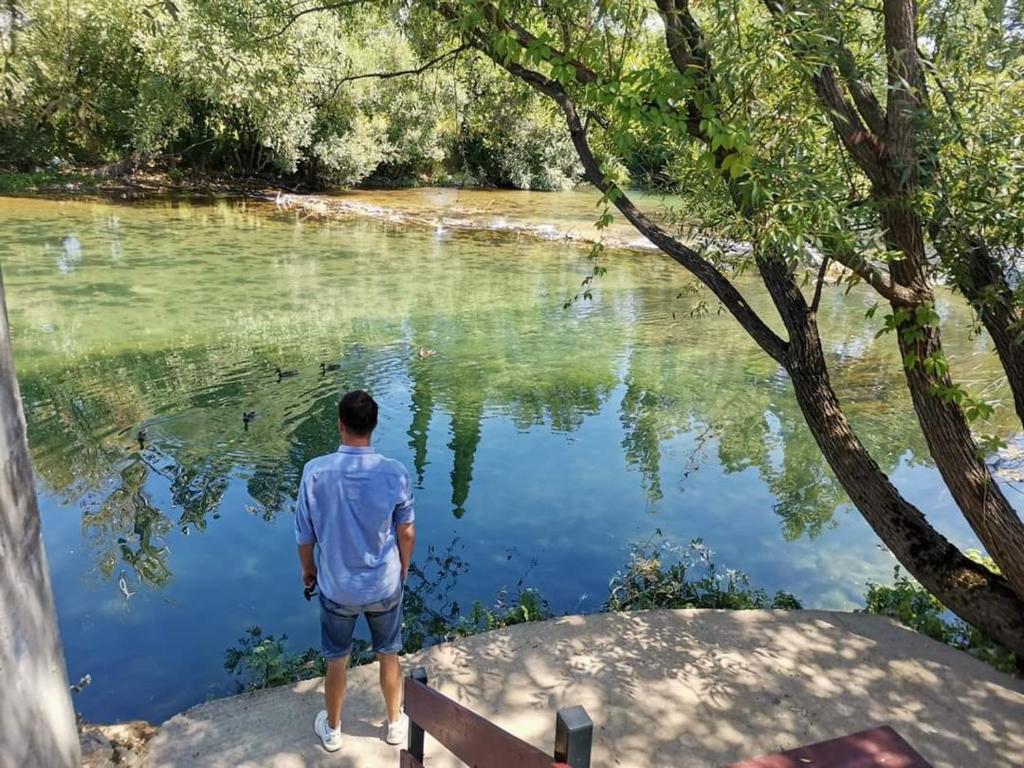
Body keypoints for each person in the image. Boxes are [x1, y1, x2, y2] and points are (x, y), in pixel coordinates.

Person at [294, 390, 416, 752]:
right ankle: (394, 724)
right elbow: (406, 532)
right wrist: (403, 566)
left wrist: (308, 569)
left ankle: (332, 730)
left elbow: (304, 535)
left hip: (337, 588)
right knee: (389, 654)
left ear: (340, 425)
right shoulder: (394, 472)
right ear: (374, 426)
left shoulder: (315, 472)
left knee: (337, 660)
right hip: (384, 584)